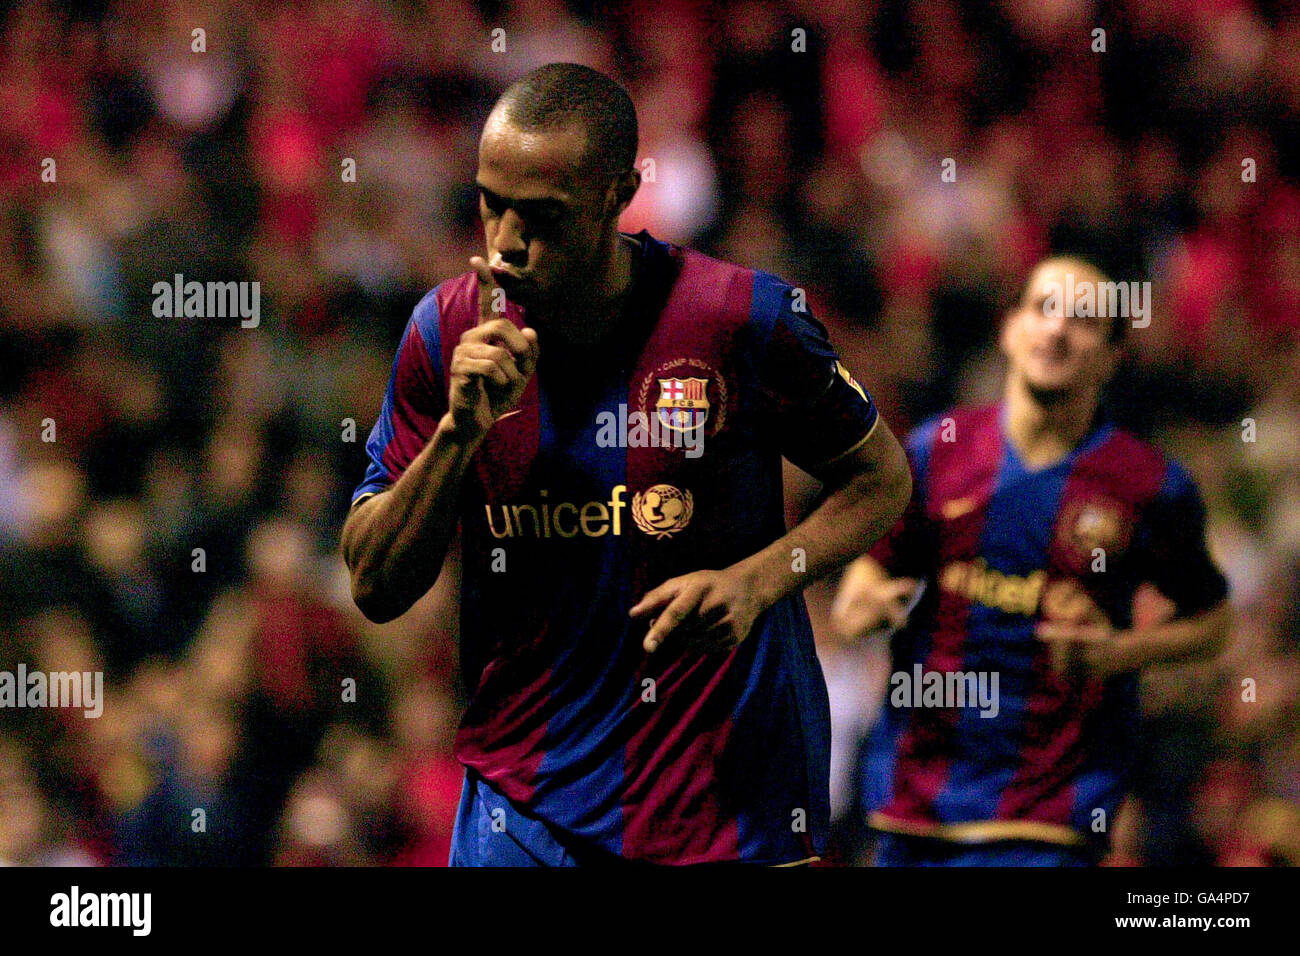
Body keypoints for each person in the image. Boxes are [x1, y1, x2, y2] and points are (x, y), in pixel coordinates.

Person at [340, 63, 911, 866]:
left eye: (539, 215)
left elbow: (882, 480)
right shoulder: (445, 333)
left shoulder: (742, 319)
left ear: (617, 193)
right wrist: (455, 438)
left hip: (729, 805)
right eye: (490, 204)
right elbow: (374, 584)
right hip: (525, 806)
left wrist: (759, 580)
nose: (505, 242)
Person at [832, 256, 1231, 866]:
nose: (1058, 331)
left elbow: (1214, 621)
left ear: (1112, 355)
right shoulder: (937, 450)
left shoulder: (1149, 485)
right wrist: (860, 606)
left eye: (1085, 320)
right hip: (919, 798)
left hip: (1052, 812)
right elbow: (871, 576)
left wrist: (1115, 654)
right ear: (1010, 329)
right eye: (1043, 309)